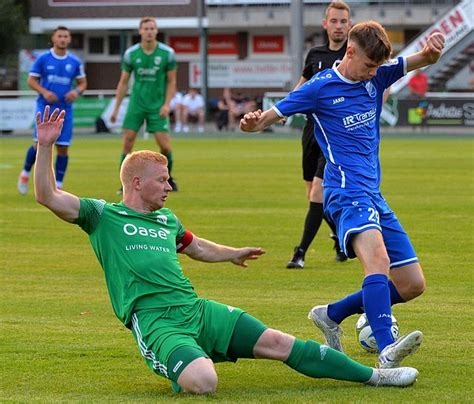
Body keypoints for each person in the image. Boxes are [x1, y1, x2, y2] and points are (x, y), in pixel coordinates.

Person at [33, 105, 420, 394]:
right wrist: (45, 146)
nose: (169, 187)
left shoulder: (168, 221)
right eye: (163, 181)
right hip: (157, 323)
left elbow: (197, 247)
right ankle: (181, 359)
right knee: (204, 381)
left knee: (278, 342)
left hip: (197, 310)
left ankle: (376, 376)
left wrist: (233, 252)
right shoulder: (102, 216)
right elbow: (48, 195)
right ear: (136, 183)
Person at [241, 22, 445, 368]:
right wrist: (252, 122)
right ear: (350, 52)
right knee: (378, 262)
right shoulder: (320, 89)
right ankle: (386, 350)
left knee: (412, 284)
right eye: (368, 66)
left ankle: (331, 314)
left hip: (373, 195)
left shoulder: (378, 74)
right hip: (344, 192)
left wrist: (433, 50)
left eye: (377, 68)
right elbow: (271, 117)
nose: (372, 75)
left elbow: (422, 58)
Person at [287, 0, 351, 269]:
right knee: (315, 197)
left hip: (335, 136)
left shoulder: (354, 54)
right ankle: (340, 238)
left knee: (317, 192)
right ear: (325, 24)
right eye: (333, 21)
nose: (338, 26)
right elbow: (300, 88)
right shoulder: (314, 54)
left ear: (350, 24)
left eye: (343, 21)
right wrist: (280, 109)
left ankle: (300, 253)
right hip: (311, 132)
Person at [110, 16, 178, 192]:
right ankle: (124, 185)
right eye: (146, 28)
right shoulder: (131, 54)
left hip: (157, 105)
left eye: (152, 28)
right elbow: (123, 82)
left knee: (164, 146)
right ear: (140, 31)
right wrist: (116, 108)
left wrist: (166, 104)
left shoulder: (167, 53)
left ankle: (168, 179)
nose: (149, 31)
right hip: (136, 104)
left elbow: (171, 81)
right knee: (127, 142)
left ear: (156, 31)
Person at [17, 26, 87, 195]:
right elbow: (31, 80)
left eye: (66, 36)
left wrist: (75, 92)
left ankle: (59, 185)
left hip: (65, 111)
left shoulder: (75, 62)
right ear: (54, 39)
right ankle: (25, 174)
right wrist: (45, 92)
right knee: (39, 145)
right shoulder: (43, 59)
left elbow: (83, 83)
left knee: (63, 148)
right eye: (60, 36)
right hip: (45, 109)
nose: (63, 39)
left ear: (69, 39)